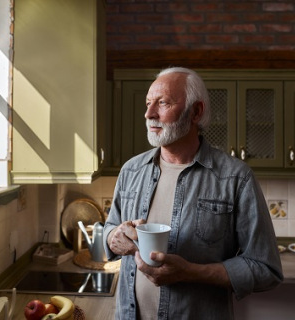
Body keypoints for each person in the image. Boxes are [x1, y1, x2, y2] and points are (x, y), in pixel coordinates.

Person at [103, 67, 283, 320]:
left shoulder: (235, 178)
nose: (149, 113)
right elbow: (110, 227)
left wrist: (190, 272)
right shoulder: (131, 170)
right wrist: (113, 236)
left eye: (163, 103)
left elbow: (266, 269)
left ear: (196, 112)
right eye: (147, 103)